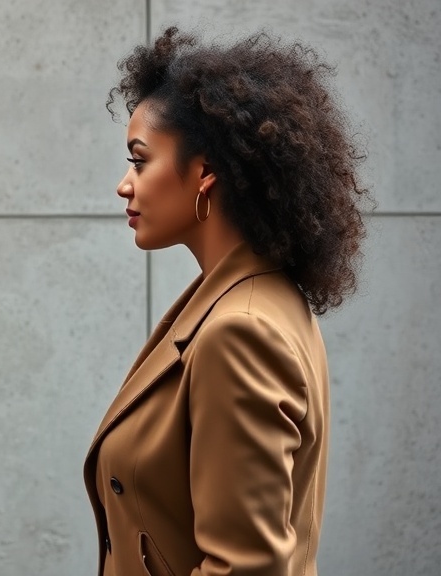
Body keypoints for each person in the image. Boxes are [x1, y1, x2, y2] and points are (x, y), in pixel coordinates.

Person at [83, 27, 370, 576]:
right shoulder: (252, 298)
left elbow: (248, 567)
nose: (125, 184)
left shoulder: (239, 330)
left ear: (206, 172)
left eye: (140, 161)